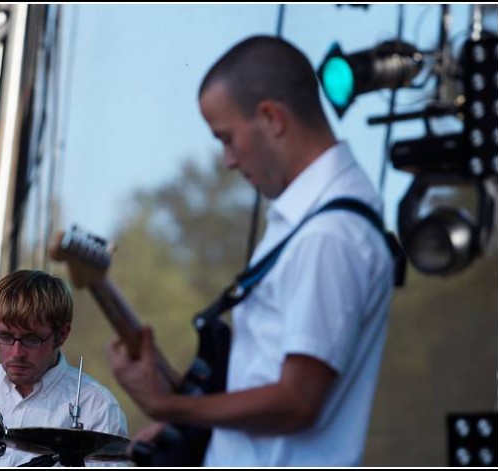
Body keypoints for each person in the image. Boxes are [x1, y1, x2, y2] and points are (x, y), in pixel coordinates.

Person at [107, 35, 395, 466]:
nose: (227, 160)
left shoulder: (328, 235)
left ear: (271, 118)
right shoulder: (307, 221)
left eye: (227, 138)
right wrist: (187, 430)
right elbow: (262, 377)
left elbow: (297, 401)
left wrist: (171, 408)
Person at [0, 269, 129, 467]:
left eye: (31, 339)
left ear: (62, 334)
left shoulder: (98, 407)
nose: (16, 353)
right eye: (5, 336)